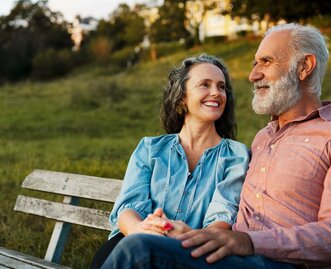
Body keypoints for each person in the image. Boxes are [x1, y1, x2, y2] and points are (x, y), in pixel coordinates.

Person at [101, 23, 331, 269]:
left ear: (304, 67)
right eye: (254, 64)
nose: (252, 75)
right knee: (135, 247)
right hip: (228, 256)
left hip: (280, 262)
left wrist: (248, 241)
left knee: (141, 250)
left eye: (266, 62)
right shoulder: (264, 138)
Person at [90, 54, 250, 268]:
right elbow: (128, 207)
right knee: (120, 253)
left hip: (191, 251)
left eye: (221, 87)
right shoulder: (150, 149)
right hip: (134, 242)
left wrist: (185, 235)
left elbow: (223, 217)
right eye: (205, 84)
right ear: (182, 96)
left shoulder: (236, 155)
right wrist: (140, 231)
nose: (216, 93)